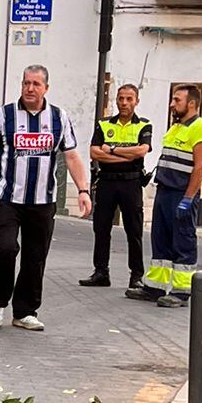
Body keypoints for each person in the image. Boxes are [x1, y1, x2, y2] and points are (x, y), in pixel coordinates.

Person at [0, 63, 92, 332]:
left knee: (35, 257)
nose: (30, 89)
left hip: (42, 202)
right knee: (6, 247)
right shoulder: (6, 116)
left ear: (46, 88)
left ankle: (25, 311)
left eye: (36, 84)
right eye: (26, 83)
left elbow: (71, 156)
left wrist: (83, 190)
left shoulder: (59, 118)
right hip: (8, 199)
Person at [141, 83, 202, 308]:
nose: (172, 104)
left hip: (181, 193)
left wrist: (188, 197)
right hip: (164, 190)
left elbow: (200, 167)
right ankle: (156, 286)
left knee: (183, 240)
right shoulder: (176, 127)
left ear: (191, 103)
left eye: (177, 100)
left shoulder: (200, 128)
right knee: (160, 240)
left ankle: (182, 291)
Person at [80, 82, 151, 296]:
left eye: (129, 99)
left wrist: (110, 149)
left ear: (136, 101)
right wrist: (124, 154)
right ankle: (101, 272)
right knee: (101, 228)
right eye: (121, 99)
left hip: (131, 183)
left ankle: (136, 276)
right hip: (107, 182)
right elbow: (94, 153)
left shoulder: (144, 125)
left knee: (134, 231)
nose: (124, 103)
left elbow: (141, 151)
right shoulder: (103, 124)